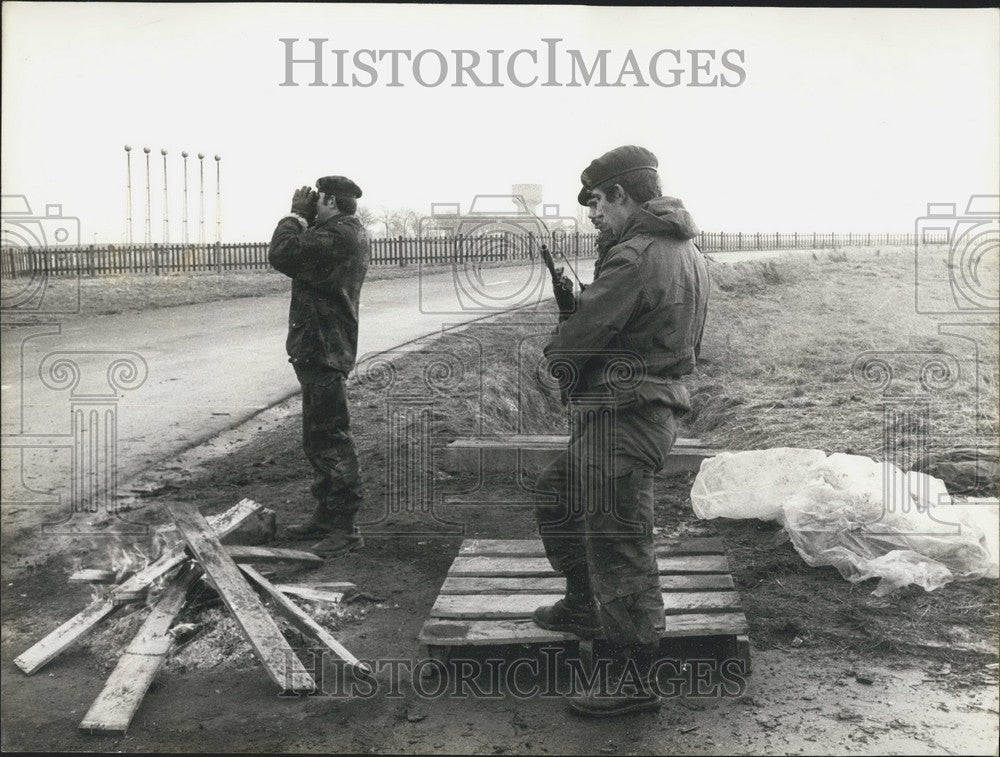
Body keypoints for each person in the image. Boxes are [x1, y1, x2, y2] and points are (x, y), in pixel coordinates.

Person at [533, 146, 710, 717]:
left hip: (627, 416)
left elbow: (578, 342)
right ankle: (585, 604)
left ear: (623, 195)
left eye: (598, 203)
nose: (594, 215)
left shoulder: (634, 257)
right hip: (631, 408)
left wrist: (562, 339)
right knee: (557, 492)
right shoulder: (681, 249)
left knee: (619, 542)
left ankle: (634, 678)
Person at [268, 176, 370, 558]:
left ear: (329, 200)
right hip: (320, 345)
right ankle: (327, 515)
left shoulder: (338, 235)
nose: (313, 206)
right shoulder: (343, 232)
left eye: (317, 200)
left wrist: (295, 215)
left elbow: (282, 253)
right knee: (319, 437)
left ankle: (344, 527)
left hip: (325, 347)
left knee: (331, 437)